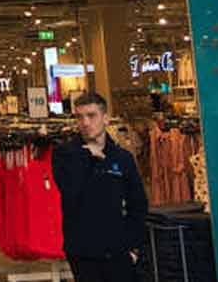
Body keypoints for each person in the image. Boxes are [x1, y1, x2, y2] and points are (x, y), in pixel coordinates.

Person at [52, 93, 148, 282]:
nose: (85, 123)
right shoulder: (64, 155)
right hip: (82, 253)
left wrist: (133, 247)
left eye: (91, 115)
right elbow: (69, 192)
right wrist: (87, 157)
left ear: (105, 118)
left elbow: (138, 204)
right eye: (80, 117)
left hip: (118, 251)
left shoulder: (122, 158)